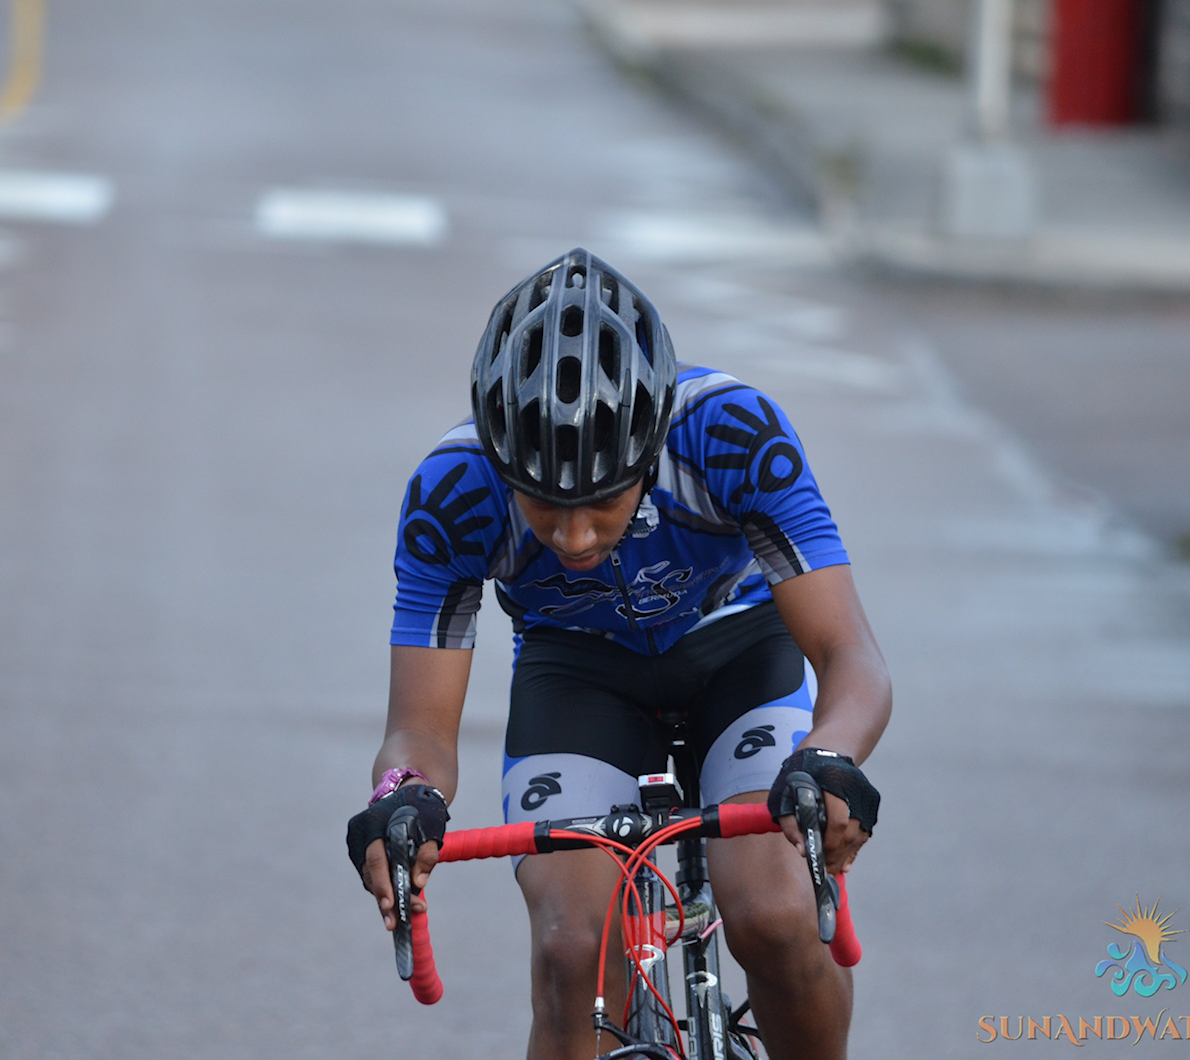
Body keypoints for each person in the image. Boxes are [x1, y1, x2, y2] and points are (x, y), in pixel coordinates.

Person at [347, 248, 891, 1060]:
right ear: (502, 464)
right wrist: (404, 796)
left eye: (600, 502)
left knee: (773, 919)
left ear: (648, 453)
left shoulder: (730, 433)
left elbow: (850, 654)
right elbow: (419, 730)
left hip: (738, 648)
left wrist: (831, 757)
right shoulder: (453, 494)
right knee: (573, 953)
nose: (573, 538)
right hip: (577, 673)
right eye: (543, 503)